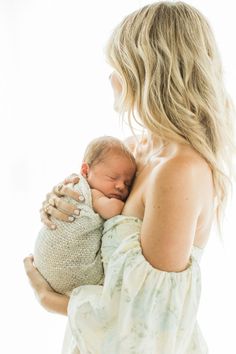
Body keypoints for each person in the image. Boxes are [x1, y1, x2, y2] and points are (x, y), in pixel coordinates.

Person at [24, 2, 236, 353]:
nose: (110, 78)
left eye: (119, 66)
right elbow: (103, 248)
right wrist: (64, 208)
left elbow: (146, 324)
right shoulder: (134, 150)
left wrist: (49, 299)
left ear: (150, 71)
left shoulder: (180, 172)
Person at [34, 135, 136, 296]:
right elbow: (112, 210)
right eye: (113, 178)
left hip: (43, 266)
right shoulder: (92, 193)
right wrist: (133, 199)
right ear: (85, 171)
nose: (120, 186)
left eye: (127, 183)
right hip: (68, 269)